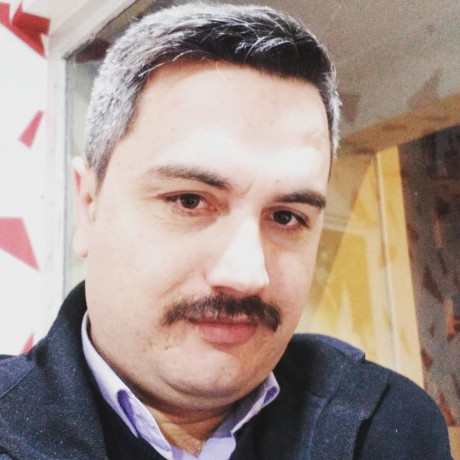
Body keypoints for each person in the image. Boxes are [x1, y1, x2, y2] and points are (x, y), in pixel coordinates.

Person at [0, 3, 452, 459]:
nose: (246, 275)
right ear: (88, 205)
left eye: (286, 217)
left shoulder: (389, 428)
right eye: (189, 200)